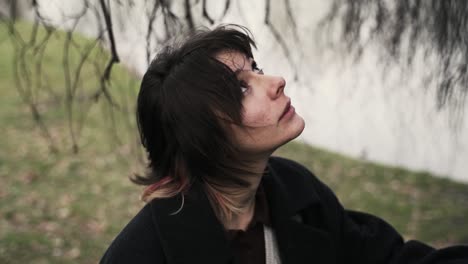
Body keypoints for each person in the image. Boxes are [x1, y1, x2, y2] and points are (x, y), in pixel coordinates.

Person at [100, 25, 468, 264]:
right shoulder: (142, 254)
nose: (276, 81)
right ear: (202, 136)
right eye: (241, 88)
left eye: (255, 69)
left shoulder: (296, 191)